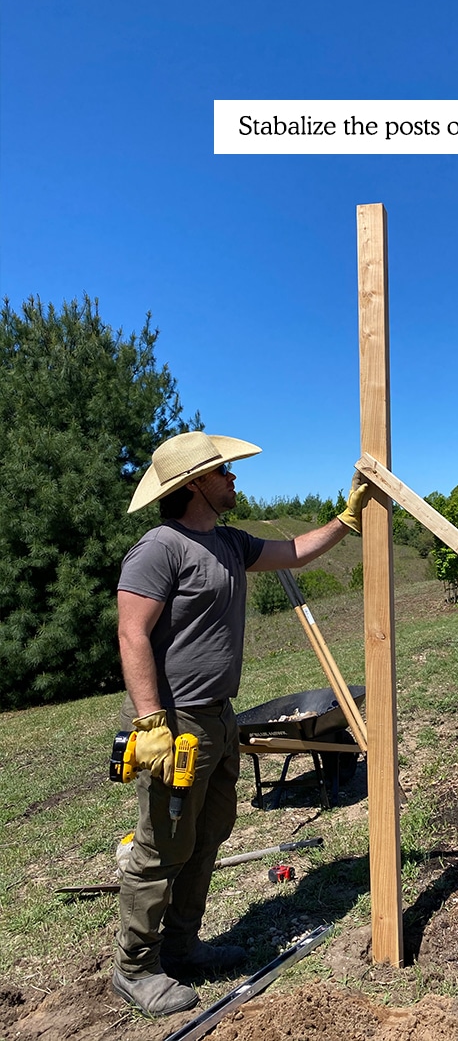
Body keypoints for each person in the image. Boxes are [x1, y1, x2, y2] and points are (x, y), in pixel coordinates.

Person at [111, 430, 366, 1017]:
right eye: (223, 472)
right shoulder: (160, 548)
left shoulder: (228, 543)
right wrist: (151, 723)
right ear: (195, 483)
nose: (234, 479)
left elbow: (297, 551)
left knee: (208, 836)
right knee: (161, 848)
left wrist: (346, 517)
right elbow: (132, 634)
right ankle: (135, 968)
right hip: (176, 727)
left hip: (221, 720)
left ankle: (181, 947)